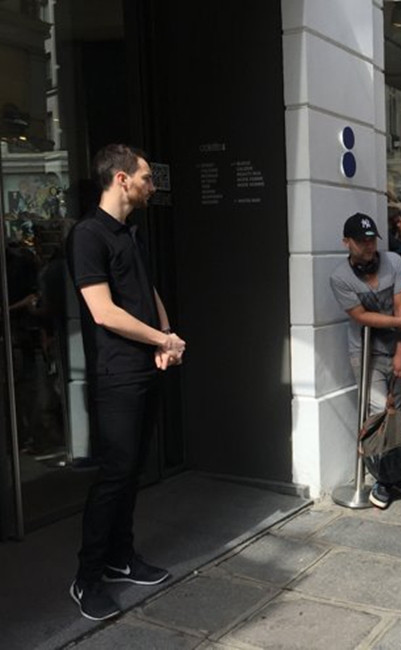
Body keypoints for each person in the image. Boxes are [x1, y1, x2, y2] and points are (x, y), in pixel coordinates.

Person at [66, 144, 186, 621]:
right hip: (116, 374)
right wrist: (162, 337)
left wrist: (166, 338)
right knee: (114, 476)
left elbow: (145, 289)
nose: (151, 185)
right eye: (144, 177)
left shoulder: (130, 234)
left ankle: (120, 558)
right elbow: (103, 311)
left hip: (144, 368)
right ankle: (86, 578)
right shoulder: (87, 235)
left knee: (132, 470)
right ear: (120, 180)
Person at [329, 212, 401, 509]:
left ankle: (398, 473)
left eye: (372, 240)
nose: (369, 247)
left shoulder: (394, 261)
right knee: (378, 411)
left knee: (400, 411)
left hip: (396, 345)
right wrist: (398, 320)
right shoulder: (339, 277)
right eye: (361, 242)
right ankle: (381, 478)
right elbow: (360, 316)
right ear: (347, 243)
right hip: (364, 351)